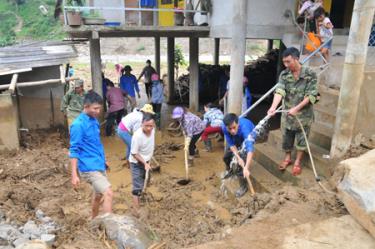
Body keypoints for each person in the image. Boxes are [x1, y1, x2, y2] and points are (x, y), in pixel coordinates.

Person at [267, 47, 318, 176]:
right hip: (288, 115)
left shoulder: (310, 74)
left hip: (303, 115)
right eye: (284, 62)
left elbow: (311, 95)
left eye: (288, 61)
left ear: (296, 59)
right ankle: (288, 158)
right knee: (286, 139)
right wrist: (273, 107)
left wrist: (297, 108)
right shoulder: (284, 74)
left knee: (302, 139)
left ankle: (298, 162)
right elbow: (280, 91)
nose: (286, 65)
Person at [69, 91, 113, 219]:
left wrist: (104, 160)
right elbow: (74, 150)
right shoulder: (78, 125)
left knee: (98, 195)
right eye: (95, 108)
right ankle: (108, 228)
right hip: (89, 167)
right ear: (86, 106)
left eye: (99, 108)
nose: (98, 111)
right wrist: (74, 175)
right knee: (108, 192)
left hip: (98, 163)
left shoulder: (94, 121)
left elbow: (96, 143)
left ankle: (93, 220)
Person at [222, 113, 256, 198]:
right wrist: (238, 157)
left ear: (237, 123)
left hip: (248, 137)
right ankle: (230, 170)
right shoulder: (224, 128)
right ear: (226, 127)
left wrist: (246, 167)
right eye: (230, 129)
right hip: (236, 138)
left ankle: (243, 187)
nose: (232, 130)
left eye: (234, 127)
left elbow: (250, 150)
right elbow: (231, 145)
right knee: (226, 157)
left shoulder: (245, 130)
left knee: (242, 166)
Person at [129, 113, 155, 212]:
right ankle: (137, 210)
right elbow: (134, 153)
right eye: (146, 126)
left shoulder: (153, 131)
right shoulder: (137, 136)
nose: (149, 128)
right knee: (137, 187)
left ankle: (142, 196)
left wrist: (148, 160)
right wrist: (145, 163)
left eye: (151, 126)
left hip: (147, 161)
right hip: (136, 163)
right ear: (141, 124)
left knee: (146, 181)